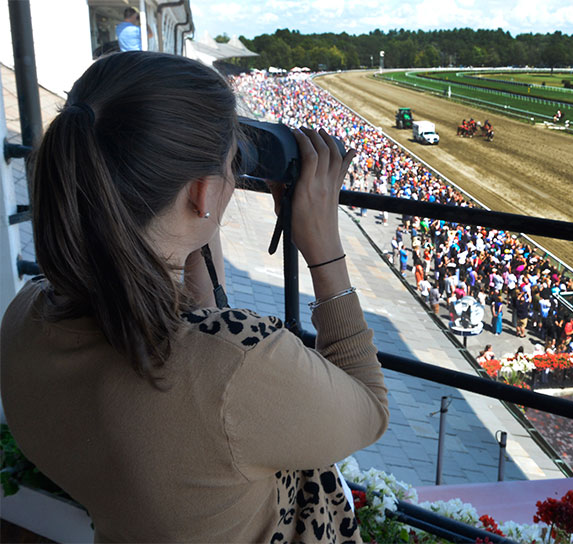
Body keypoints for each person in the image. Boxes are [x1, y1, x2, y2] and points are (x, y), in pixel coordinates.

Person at [0, 52, 389, 543]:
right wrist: (326, 250)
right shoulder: (238, 368)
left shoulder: (25, 317)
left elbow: (192, 326)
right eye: (232, 164)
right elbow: (369, 410)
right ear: (204, 194)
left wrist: (198, 198)